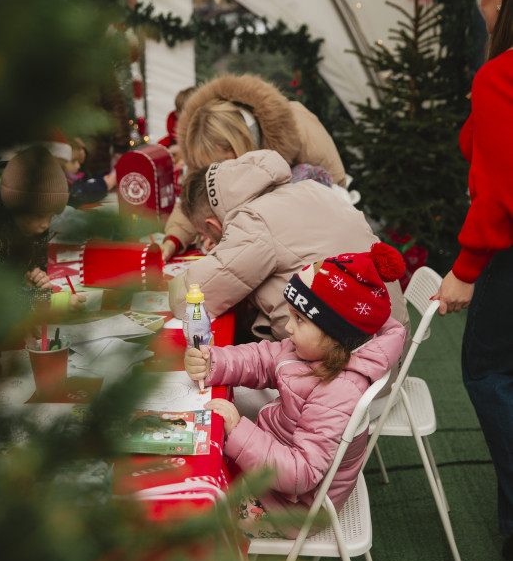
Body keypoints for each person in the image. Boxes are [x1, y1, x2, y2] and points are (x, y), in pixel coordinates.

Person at [184, 244, 406, 538]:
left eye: (299, 319)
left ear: (335, 334)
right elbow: (263, 360)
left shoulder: (338, 392)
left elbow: (301, 473)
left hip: (290, 507)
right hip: (274, 462)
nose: (288, 328)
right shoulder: (319, 351)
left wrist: (238, 430)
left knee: (195, 511)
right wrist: (213, 362)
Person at [169, 149, 410, 420]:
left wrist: (203, 259)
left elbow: (190, 298)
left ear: (213, 224)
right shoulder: (311, 189)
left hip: (342, 392)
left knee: (205, 396)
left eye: (204, 236)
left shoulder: (254, 222)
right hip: (387, 364)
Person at [435, 0, 513, 561]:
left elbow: (497, 195)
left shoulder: (501, 76)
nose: (479, 5)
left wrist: (463, 268)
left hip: (509, 256)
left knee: (485, 372)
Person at [161, 73, 348, 261]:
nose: (218, 174)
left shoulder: (301, 128)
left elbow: (337, 197)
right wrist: (173, 240)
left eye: (223, 164)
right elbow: (194, 198)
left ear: (241, 143)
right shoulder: (204, 147)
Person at [0, 145, 86, 313]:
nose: (45, 224)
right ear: (16, 206)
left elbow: (29, 261)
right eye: (39, 216)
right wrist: (50, 302)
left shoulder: (28, 222)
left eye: (51, 216)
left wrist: (32, 275)